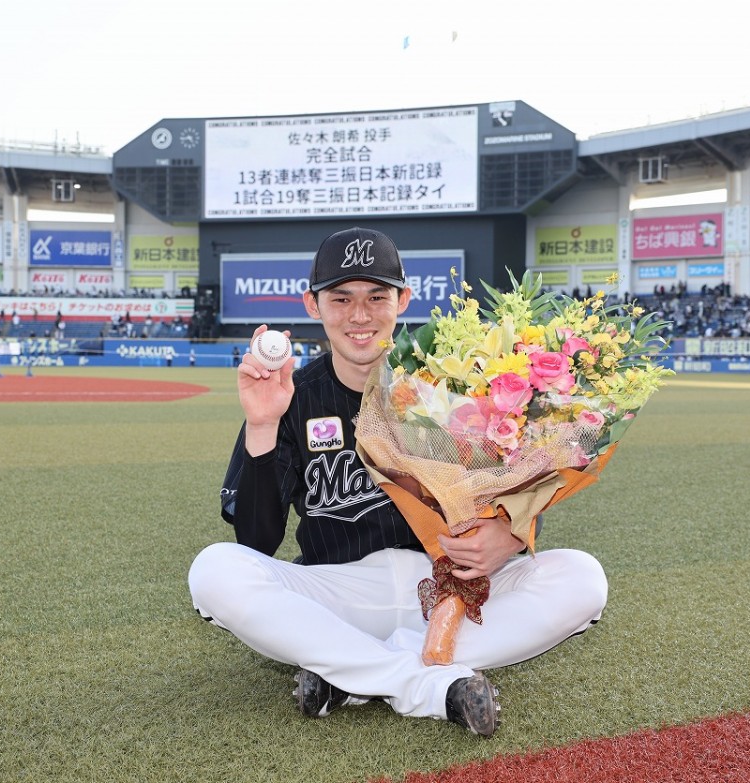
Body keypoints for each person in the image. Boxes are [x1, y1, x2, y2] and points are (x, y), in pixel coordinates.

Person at [187, 227, 607, 737]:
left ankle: (351, 673)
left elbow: (517, 477)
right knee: (214, 571)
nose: (359, 315)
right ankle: (424, 682)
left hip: (446, 591)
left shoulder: (448, 385)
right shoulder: (290, 396)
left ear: (403, 300)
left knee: (582, 577)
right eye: (341, 298)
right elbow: (256, 541)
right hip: (337, 592)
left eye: (376, 296)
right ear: (313, 305)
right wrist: (261, 425)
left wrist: (514, 532)